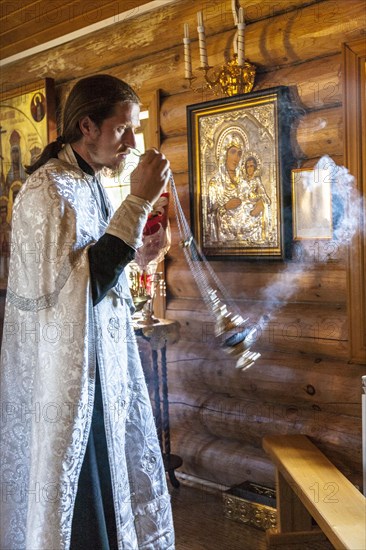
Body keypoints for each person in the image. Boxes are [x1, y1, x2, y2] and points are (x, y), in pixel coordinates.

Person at [0, 74, 175, 550]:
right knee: (81, 500)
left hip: (101, 363)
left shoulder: (87, 180)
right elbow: (76, 290)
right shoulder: (47, 191)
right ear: (87, 126)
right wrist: (138, 199)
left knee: (110, 479)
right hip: (67, 375)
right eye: (123, 129)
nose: (133, 143)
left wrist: (140, 253)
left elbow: (96, 265)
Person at [206, 131, 245, 244]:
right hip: (224, 236)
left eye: (239, 153)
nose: (236, 157)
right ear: (224, 154)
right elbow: (209, 216)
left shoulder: (244, 182)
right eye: (233, 152)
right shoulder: (215, 183)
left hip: (242, 233)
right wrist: (226, 207)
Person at [238, 155, 271, 243]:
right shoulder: (243, 181)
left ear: (255, 167)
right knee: (244, 207)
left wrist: (265, 197)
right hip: (245, 202)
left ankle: (258, 233)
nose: (249, 168)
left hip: (253, 202)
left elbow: (261, 190)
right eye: (247, 166)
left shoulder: (256, 180)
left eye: (251, 166)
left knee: (263, 203)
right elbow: (241, 195)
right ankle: (244, 229)